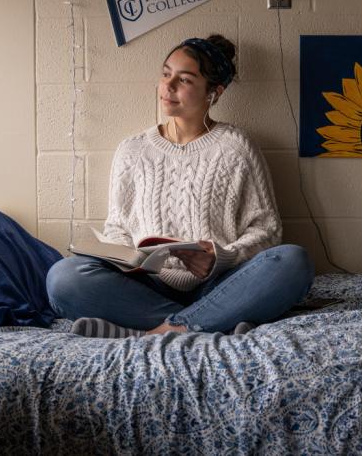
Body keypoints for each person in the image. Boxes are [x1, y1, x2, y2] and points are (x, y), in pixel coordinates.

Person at [46, 35, 314, 338]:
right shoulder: (132, 149)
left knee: (293, 262)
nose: (168, 86)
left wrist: (219, 257)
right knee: (63, 278)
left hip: (220, 284)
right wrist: (129, 260)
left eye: (184, 79)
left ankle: (156, 330)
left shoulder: (236, 147)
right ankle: (204, 323)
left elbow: (267, 230)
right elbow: (118, 225)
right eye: (165, 74)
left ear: (214, 92)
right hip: (146, 287)